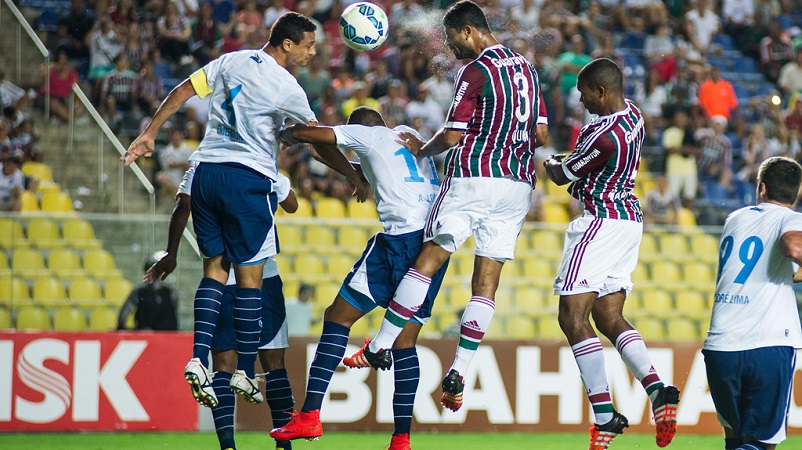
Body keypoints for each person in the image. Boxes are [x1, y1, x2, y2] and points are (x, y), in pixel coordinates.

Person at [121, 11, 366, 407]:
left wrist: (149, 133)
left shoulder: (232, 59)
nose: (313, 52)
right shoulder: (288, 86)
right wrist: (352, 174)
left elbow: (184, 89)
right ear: (287, 44)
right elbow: (318, 142)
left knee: (214, 272)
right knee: (250, 279)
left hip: (205, 174)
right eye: (308, 45)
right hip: (246, 178)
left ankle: (198, 360)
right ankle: (243, 372)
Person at [341, 0, 548, 414]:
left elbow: (452, 136)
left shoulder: (476, 70)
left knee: (428, 259)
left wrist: (423, 148)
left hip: (474, 176)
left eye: (453, 40)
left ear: (469, 31)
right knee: (486, 283)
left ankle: (380, 345)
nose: (452, 49)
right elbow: (540, 134)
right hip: (517, 185)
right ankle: (460, 369)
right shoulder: (526, 69)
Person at [268, 107, 448, 450]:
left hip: (400, 242)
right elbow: (351, 161)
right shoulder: (405, 134)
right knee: (405, 342)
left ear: (357, 130)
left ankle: (309, 416)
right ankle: (401, 439)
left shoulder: (369, 135)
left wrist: (288, 133)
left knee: (337, 317)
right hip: (434, 245)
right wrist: (355, 176)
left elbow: (314, 136)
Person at [543, 58, 680, 450]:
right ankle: (657, 390)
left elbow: (562, 175)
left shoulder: (604, 139)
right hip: (628, 220)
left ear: (601, 92)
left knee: (571, 315)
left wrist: (551, 161)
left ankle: (605, 415)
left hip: (601, 222)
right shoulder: (633, 113)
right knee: (609, 315)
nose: (578, 96)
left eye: (583, 90)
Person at [145, 163, 299, 450]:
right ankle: (284, 445)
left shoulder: (202, 166)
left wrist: (172, 251)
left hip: (220, 285)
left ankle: (227, 445)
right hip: (261, 279)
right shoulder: (260, 162)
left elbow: (183, 206)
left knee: (222, 368)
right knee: (274, 365)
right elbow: (292, 204)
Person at [703, 156, 802, 450]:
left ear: (762, 188)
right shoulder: (792, 218)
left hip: (721, 348)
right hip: (767, 346)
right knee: (761, 443)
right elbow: (793, 246)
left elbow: (760, 268)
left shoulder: (736, 218)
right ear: (796, 193)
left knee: (734, 440)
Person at [117, 252, 179, 330]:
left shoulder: (169, 292)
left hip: (156, 334)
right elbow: (123, 316)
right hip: (156, 334)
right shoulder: (139, 291)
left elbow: (122, 317)